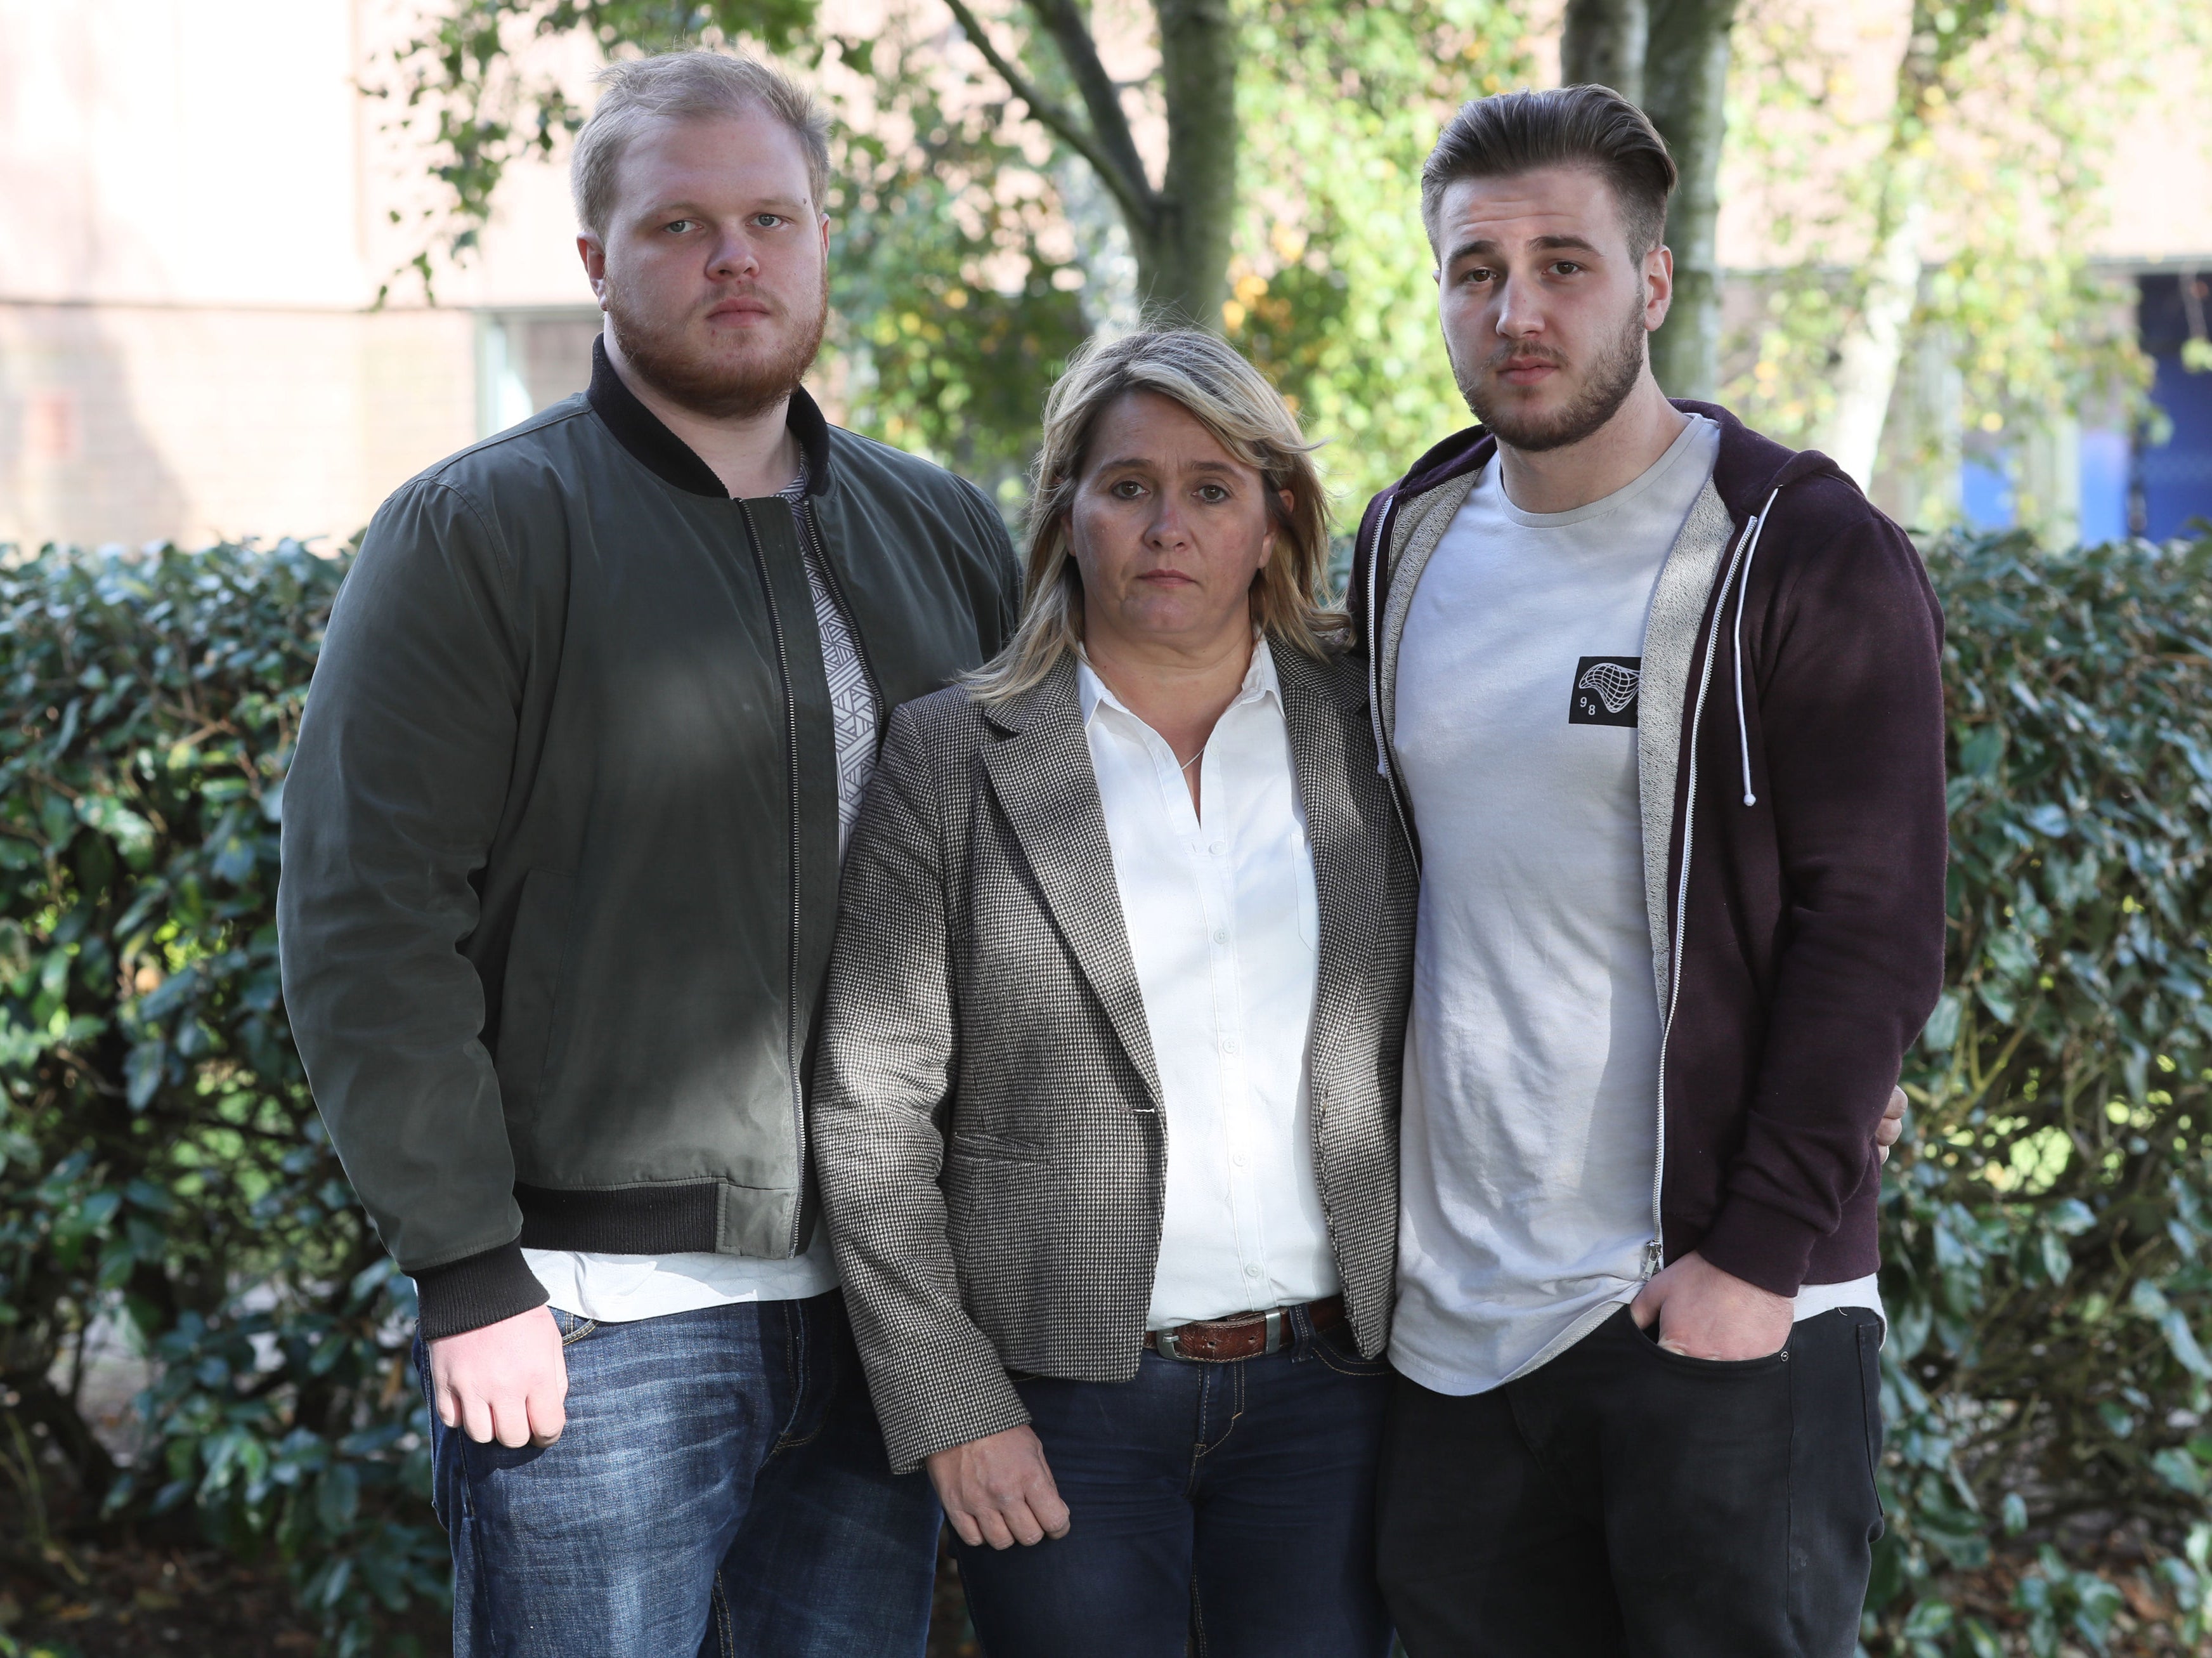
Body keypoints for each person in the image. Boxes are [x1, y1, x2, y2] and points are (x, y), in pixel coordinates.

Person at [275, 49, 1019, 1658]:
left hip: (887, 1305)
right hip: (594, 1326)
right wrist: (468, 1267)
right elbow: (367, 918)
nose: (734, 255)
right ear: (598, 265)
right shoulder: (479, 531)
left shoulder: (941, 527)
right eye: (681, 224)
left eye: (771, 216)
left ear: (824, 239)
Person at [1354, 85, 1948, 1657]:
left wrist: (1750, 1263)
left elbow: (1875, 932)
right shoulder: (1403, 538)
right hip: (1458, 1331)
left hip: (1713, 1313)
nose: (1516, 308)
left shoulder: (1797, 544)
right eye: (1475, 269)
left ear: (1655, 283)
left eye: (1565, 263)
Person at [812, 329, 1417, 1658]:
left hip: (1338, 1389)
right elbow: (868, 1105)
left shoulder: (1369, 723)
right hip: (1063, 1397)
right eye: (1126, 484)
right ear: (1068, 512)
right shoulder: (953, 752)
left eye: (1211, 488)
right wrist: (951, 1397)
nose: (1166, 525)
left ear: (1273, 519)